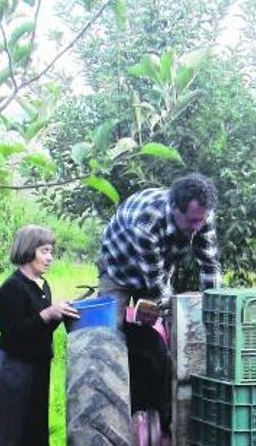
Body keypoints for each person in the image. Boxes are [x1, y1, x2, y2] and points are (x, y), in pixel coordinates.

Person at [97, 172, 222, 439]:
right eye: (192, 221)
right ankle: (115, 411)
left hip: (158, 267)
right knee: (110, 336)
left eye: (201, 220)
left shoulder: (202, 217)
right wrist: (173, 315)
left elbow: (209, 266)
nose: (198, 226)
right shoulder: (147, 221)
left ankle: (164, 415)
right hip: (118, 268)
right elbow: (155, 286)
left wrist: (213, 311)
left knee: (164, 343)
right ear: (175, 208)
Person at [0, 225, 79, 446]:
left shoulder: (43, 285)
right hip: (15, 368)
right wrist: (48, 313)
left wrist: (59, 313)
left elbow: (39, 329)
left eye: (51, 252)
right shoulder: (12, 288)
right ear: (29, 251)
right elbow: (13, 334)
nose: (50, 258)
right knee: (10, 429)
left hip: (38, 365)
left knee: (35, 426)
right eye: (44, 251)